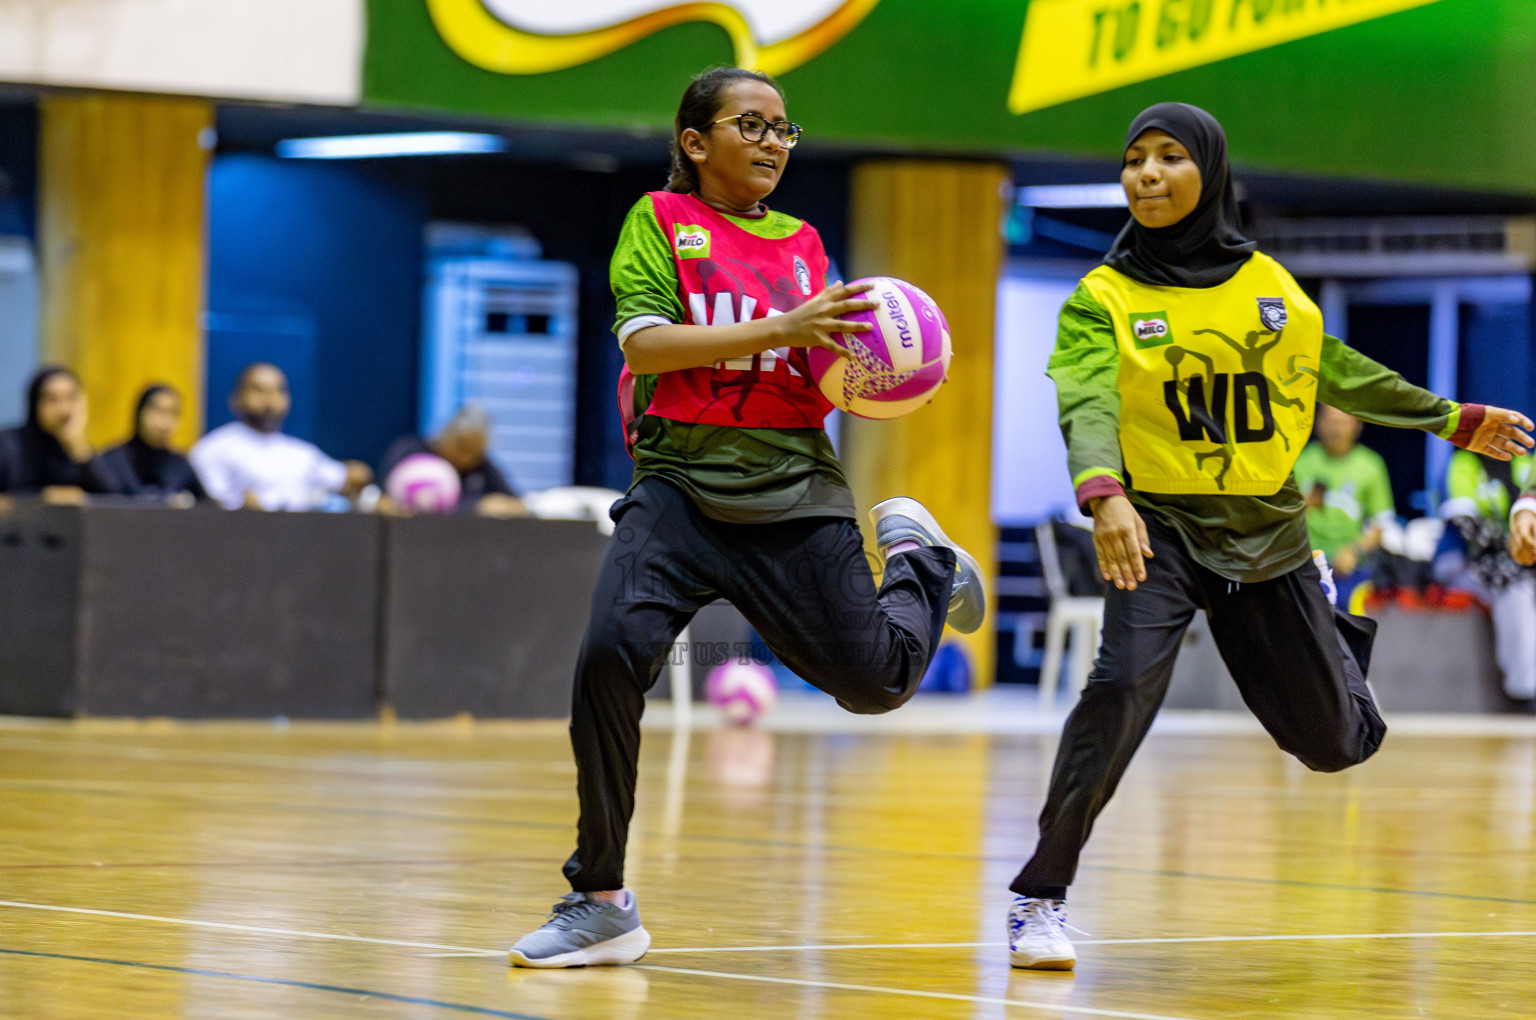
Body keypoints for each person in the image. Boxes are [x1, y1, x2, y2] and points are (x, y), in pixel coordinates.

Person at [1009, 102, 1534, 972]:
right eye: (1134, 159)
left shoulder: (1268, 286)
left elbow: (1337, 369)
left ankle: (1328, 625)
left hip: (1265, 530)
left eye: (1168, 157)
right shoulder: (1102, 298)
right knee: (1122, 689)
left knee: (1336, 744)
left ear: (1207, 173)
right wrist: (1104, 496)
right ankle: (1040, 896)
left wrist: (1450, 417)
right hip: (1160, 528)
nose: (1144, 173)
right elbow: (1088, 402)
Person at [507, 66, 985, 969]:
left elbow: (829, 364)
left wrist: (894, 370)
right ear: (695, 143)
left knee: (877, 682)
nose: (772, 142)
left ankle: (919, 558)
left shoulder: (805, 244)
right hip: (679, 486)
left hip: (795, 490)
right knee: (609, 658)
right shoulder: (660, 222)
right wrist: (781, 330)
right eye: (751, 126)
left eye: (783, 130)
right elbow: (647, 343)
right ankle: (600, 899)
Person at [190, 363, 372, 511]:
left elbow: (347, 478)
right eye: (258, 390)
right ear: (235, 398)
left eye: (278, 390)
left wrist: (358, 475)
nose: (270, 398)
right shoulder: (212, 449)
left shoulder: (301, 453)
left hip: (300, 542)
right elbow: (212, 504)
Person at [1440, 450, 1536, 708]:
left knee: (1522, 581)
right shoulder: (1463, 463)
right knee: (1513, 584)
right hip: (1466, 562)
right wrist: (1516, 544)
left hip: (1520, 560)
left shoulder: (1523, 463)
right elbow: (1468, 527)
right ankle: (1523, 690)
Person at [1293, 405, 1395, 605]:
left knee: (1351, 622)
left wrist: (1354, 551)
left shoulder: (1371, 465)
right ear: (1317, 423)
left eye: (1342, 423)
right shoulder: (1301, 461)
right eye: (1330, 421)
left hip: (1353, 569)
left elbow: (1381, 523)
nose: (1335, 429)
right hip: (1306, 565)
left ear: (1357, 425)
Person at [381, 406, 526, 516]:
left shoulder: (481, 467)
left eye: (474, 452)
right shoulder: (411, 452)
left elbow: (519, 504)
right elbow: (382, 498)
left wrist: (497, 505)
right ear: (446, 434)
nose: (465, 457)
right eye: (461, 446)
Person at [0, 367, 115, 500]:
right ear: (35, 403)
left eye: (71, 398)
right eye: (53, 399)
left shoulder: (77, 449)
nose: (63, 409)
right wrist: (41, 497)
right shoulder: (9, 444)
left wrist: (80, 449)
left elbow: (112, 501)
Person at [101, 384, 208, 503]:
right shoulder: (114, 459)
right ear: (140, 412)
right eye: (158, 410)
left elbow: (207, 506)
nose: (164, 419)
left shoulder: (179, 464)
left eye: (173, 412)